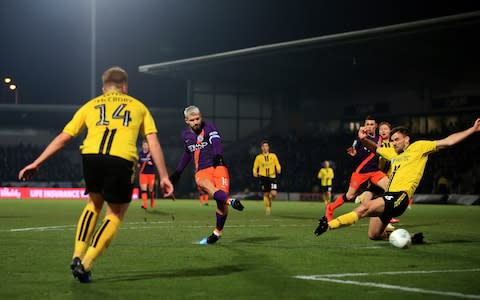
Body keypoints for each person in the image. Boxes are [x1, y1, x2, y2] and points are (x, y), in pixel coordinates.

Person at [18, 67, 174, 283]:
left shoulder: (90, 105)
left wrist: (36, 163)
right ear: (125, 87)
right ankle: (86, 263)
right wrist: (164, 176)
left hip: (90, 156)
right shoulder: (139, 107)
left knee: (93, 204)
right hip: (121, 158)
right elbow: (153, 142)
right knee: (115, 213)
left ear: (103, 89)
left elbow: (64, 138)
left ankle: (76, 256)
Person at [315, 118, 480, 239]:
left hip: (400, 196)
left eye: (397, 140)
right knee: (373, 235)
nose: (393, 143)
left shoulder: (419, 147)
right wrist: (363, 139)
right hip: (389, 196)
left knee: (364, 208)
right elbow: (376, 148)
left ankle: (329, 225)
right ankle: (409, 237)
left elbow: (448, 141)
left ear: (407, 139)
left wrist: (472, 130)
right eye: (392, 140)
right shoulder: (392, 153)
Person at [169, 105, 244, 245]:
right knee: (205, 185)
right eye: (192, 120)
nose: (196, 122)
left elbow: (216, 142)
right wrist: (178, 172)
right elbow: (187, 154)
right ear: (186, 120)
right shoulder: (185, 136)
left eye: (197, 118)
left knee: (220, 203)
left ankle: (217, 232)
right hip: (202, 171)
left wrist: (218, 156)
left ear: (201, 117)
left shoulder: (209, 127)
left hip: (218, 166)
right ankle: (231, 201)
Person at [326, 116, 389, 221]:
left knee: (389, 188)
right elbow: (354, 150)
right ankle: (330, 207)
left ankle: (386, 214)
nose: (369, 126)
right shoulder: (360, 138)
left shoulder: (380, 139)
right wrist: (353, 152)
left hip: (375, 172)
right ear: (364, 125)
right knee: (349, 196)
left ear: (376, 126)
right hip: (361, 171)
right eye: (367, 124)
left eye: (371, 124)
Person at [252, 140, 282, 215]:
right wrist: (254, 172)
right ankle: (268, 208)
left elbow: (277, 164)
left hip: (272, 177)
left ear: (268, 147)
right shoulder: (258, 157)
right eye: (263, 146)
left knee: (274, 193)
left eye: (266, 146)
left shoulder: (273, 156)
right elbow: (255, 167)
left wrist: (278, 169)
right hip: (263, 177)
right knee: (266, 193)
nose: (265, 148)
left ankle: (270, 199)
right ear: (261, 148)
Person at [138, 140, 156, 209]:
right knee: (144, 190)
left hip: (151, 174)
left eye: (146, 145)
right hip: (143, 174)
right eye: (144, 145)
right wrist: (139, 165)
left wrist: (150, 163)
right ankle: (144, 205)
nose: (145, 146)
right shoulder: (140, 154)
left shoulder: (151, 154)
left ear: (149, 146)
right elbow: (139, 163)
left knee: (151, 190)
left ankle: (152, 200)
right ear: (142, 146)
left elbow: (154, 163)